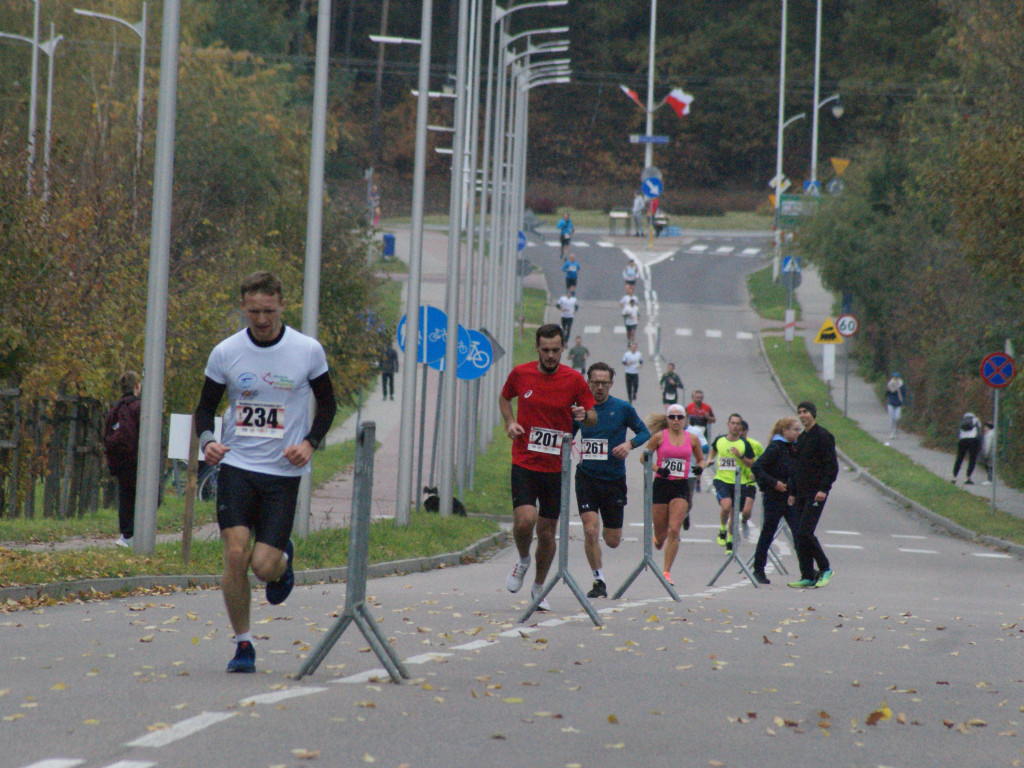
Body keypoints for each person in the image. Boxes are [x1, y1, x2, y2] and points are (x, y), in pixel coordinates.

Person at [194, 271, 337, 673]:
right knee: (235, 554)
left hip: (282, 472)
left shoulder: (307, 351)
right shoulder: (226, 352)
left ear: (282, 305)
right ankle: (243, 644)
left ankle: (282, 561)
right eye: (254, 311)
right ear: (243, 307)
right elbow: (205, 408)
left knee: (262, 566)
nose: (261, 319)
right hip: (237, 465)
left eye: (268, 311)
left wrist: (309, 443)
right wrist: (208, 440)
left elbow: (328, 405)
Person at [500, 324, 597, 611]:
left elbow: (592, 416)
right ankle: (523, 560)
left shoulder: (574, 379)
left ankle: (539, 587)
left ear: (563, 348)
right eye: (546, 350)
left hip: (556, 468)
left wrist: (583, 414)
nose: (551, 355)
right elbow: (505, 397)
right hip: (525, 460)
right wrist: (509, 422)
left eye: (556, 350)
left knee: (546, 532)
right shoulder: (521, 374)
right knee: (524, 521)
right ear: (537, 348)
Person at [573, 362, 650, 598]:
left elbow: (644, 432)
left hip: (614, 480)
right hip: (586, 477)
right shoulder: (581, 409)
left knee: (612, 540)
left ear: (611, 384)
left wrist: (629, 445)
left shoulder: (622, 408)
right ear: (588, 382)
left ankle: (603, 555)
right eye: (595, 382)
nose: (599, 387)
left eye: (604, 383)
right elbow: (566, 433)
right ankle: (599, 581)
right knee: (590, 529)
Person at [643, 403, 705, 585]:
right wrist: (658, 469)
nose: (676, 420)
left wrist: (699, 468)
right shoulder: (658, 437)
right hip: (661, 485)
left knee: (674, 530)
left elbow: (701, 459)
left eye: (679, 417)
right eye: (672, 417)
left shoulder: (692, 439)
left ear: (684, 419)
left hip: (681, 486)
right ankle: (658, 539)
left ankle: (666, 572)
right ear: (667, 419)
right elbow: (643, 458)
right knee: (661, 534)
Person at [787, 401, 839, 589]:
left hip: (816, 493)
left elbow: (831, 465)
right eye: (800, 412)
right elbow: (798, 467)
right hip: (800, 492)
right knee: (799, 535)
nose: (802, 415)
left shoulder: (823, 436)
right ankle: (807, 574)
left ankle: (825, 568)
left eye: (806, 412)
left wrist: (824, 489)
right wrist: (792, 491)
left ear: (813, 414)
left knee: (805, 532)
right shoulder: (801, 438)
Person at [750, 417, 800, 584]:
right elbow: (757, 467)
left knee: (799, 533)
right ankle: (758, 570)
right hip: (774, 497)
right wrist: (774, 483)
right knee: (768, 532)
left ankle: (807, 570)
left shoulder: (793, 448)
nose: (798, 433)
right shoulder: (775, 447)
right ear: (784, 431)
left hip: (790, 498)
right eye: (795, 429)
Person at [103, 370, 142, 548]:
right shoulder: (139, 407)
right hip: (136, 459)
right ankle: (133, 534)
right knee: (149, 496)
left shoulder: (115, 410)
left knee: (125, 496)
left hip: (120, 461)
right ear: (136, 386)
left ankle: (126, 535)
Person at [706, 413, 755, 552]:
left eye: (737, 424)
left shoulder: (744, 444)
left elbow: (751, 463)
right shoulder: (720, 440)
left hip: (739, 483)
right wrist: (709, 459)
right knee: (726, 506)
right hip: (722, 480)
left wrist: (740, 456)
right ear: (728, 425)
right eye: (732, 423)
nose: (735, 426)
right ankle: (722, 529)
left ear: (741, 427)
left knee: (734, 514)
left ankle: (730, 540)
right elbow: (714, 449)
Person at [738, 420, 764, 539]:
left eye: (743, 430)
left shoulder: (755, 445)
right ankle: (732, 535)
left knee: (746, 511)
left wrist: (757, 474)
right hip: (734, 481)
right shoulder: (733, 444)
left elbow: (764, 460)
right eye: (738, 430)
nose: (740, 433)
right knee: (732, 510)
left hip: (749, 482)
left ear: (747, 431)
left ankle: (744, 521)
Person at [952, 411, 982, 484]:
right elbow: (979, 432)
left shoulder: (962, 420)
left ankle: (954, 477)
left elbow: (959, 432)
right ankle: (967, 478)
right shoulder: (976, 420)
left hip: (962, 440)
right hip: (973, 440)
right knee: (972, 459)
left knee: (959, 459)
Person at [885, 373, 906, 441]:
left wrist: (904, 403)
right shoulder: (890, 384)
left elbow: (903, 394)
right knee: (892, 418)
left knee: (897, 418)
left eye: (896, 377)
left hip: (898, 404)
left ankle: (896, 430)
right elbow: (887, 394)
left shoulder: (901, 385)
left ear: (898, 378)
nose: (895, 379)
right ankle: (892, 433)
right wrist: (888, 390)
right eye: (894, 377)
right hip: (891, 403)